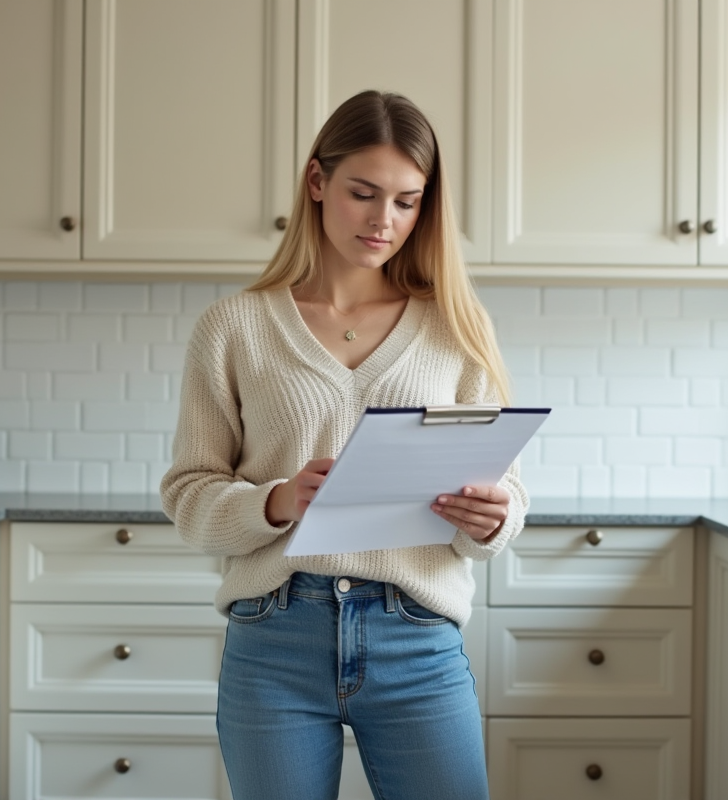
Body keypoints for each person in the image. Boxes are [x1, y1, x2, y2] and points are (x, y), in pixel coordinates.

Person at [159, 90, 529, 800]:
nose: (383, 220)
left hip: (417, 637)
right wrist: (277, 500)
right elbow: (189, 494)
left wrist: (494, 517)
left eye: (406, 201)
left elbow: (507, 496)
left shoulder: (456, 327)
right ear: (317, 182)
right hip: (275, 637)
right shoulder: (233, 328)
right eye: (364, 193)